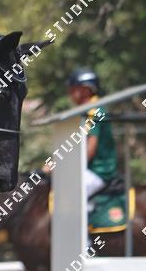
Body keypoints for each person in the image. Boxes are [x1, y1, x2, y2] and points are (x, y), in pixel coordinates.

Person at [44, 67, 117, 198]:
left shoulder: (96, 111)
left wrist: (64, 166)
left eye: (73, 89)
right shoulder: (83, 111)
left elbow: (89, 150)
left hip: (99, 172)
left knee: (67, 194)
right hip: (87, 169)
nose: (70, 93)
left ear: (86, 89)